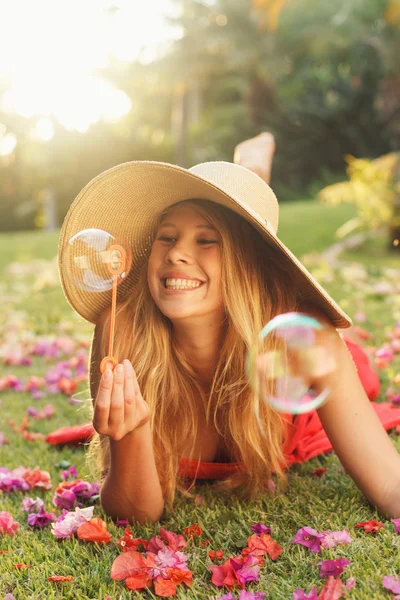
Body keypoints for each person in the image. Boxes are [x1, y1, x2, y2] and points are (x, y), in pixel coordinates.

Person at [54, 159, 400, 525]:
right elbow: (137, 514)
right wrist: (132, 435)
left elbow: (391, 485)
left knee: (363, 367)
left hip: (293, 367)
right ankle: (247, 174)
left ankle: (252, 172)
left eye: (207, 240)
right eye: (166, 237)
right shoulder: (121, 330)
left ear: (248, 263)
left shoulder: (306, 337)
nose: (175, 253)